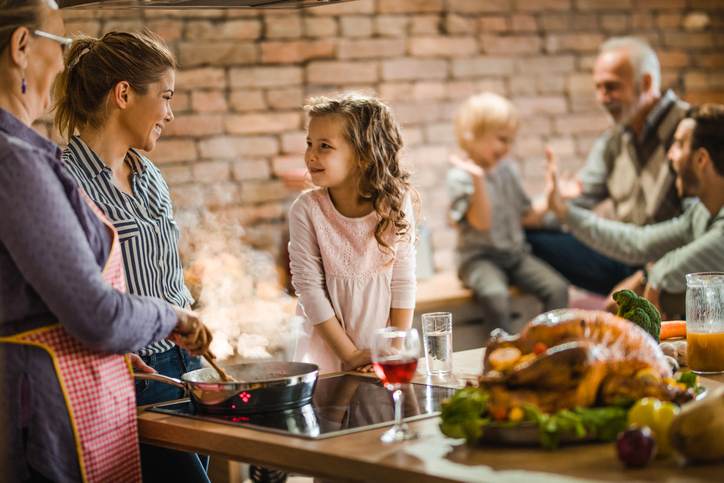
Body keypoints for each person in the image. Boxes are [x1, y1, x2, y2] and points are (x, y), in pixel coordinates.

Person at [0, 2, 211, 482]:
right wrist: (168, 319)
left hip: (168, 363)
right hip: (116, 369)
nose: (62, 64)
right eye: (60, 46)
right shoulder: (39, 168)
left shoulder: (148, 174)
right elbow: (91, 310)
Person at [527, 36, 690, 296]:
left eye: (612, 87)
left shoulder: (689, 130)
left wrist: (650, 274)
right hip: (625, 252)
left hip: (673, 260)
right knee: (530, 238)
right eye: (598, 87)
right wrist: (531, 213)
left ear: (646, 83)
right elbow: (579, 198)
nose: (603, 98)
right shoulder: (612, 141)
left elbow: (700, 228)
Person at [547, 104, 724, 318]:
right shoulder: (700, 213)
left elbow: (674, 267)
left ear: (701, 159)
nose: (670, 155)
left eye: (678, 145)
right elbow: (638, 242)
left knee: (668, 296)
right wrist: (563, 211)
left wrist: (646, 279)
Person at [289, 93, 417, 372]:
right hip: (329, 349)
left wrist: (391, 352)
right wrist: (349, 356)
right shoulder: (306, 210)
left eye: (325, 146)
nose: (311, 155)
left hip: (385, 347)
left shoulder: (394, 203)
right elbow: (309, 290)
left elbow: (403, 281)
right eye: (309, 143)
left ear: (363, 156)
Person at [447, 92, 568, 331]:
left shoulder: (508, 171)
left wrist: (555, 195)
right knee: (496, 297)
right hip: (479, 259)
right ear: (472, 136)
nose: (508, 147)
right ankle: (501, 354)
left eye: (511, 141)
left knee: (558, 288)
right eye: (502, 139)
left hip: (514, 255)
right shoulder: (460, 177)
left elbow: (526, 216)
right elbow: (481, 223)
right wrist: (479, 180)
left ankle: (549, 344)